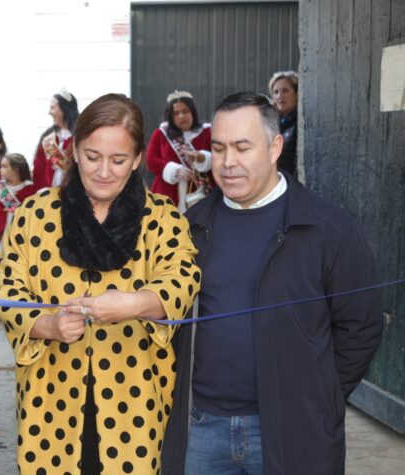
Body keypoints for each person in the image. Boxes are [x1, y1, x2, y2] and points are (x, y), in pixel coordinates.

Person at [161, 92, 383, 475]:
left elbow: (361, 327)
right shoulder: (189, 227)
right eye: (219, 148)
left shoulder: (329, 229)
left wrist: (320, 398)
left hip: (291, 430)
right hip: (201, 429)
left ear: (275, 146)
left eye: (242, 148)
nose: (228, 163)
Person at [0, 93, 200, 474]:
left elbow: (183, 279)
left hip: (134, 400)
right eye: (92, 157)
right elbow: (6, 287)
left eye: (119, 160)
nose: (104, 171)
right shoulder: (34, 214)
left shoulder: (163, 218)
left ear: (137, 159)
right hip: (50, 398)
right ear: (74, 151)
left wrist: (135, 303)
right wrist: (45, 324)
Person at [146, 90, 213, 213]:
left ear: (193, 112)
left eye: (185, 111)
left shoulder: (207, 132)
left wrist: (202, 158)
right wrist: (175, 171)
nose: (181, 116)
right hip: (167, 195)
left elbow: (219, 158)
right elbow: (151, 161)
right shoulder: (162, 133)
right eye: (176, 113)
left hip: (201, 194)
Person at [0, 152, 36, 282]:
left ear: (16, 170)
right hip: (0, 234)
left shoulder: (31, 189)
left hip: (22, 235)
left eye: (4, 167)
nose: (0, 170)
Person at [32, 88, 79, 190]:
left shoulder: (81, 136)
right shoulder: (48, 137)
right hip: (49, 196)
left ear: (64, 109)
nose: (49, 112)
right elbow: (39, 169)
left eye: (52, 108)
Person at [268, 71, 298, 177]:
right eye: (276, 92)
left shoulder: (300, 125)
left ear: (297, 93)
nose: (280, 96)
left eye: (285, 91)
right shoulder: (271, 123)